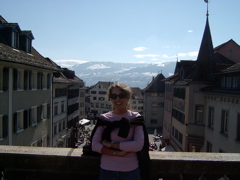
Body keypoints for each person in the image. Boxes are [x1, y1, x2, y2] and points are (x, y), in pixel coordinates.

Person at [92, 82, 148, 180]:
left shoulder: (136, 118)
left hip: (130, 171)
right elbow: (95, 145)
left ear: (128, 97)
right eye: (114, 96)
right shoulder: (104, 119)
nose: (118, 99)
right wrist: (118, 153)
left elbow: (138, 145)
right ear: (110, 98)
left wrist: (111, 145)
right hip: (107, 170)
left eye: (121, 95)